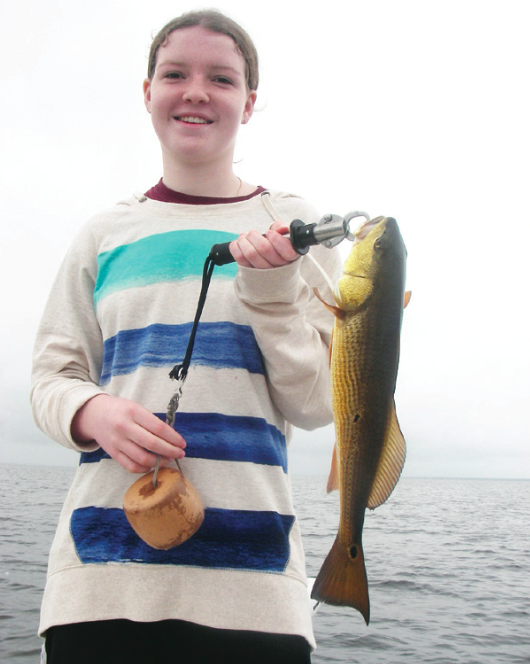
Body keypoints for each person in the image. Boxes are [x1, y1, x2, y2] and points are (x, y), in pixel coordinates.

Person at [31, 9, 342, 664]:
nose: (196, 91)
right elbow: (50, 378)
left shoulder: (293, 226)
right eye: (175, 73)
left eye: (221, 79)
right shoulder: (102, 234)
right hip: (98, 586)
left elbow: (317, 405)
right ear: (148, 93)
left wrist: (273, 296)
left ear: (248, 103)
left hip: (254, 596)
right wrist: (91, 411)